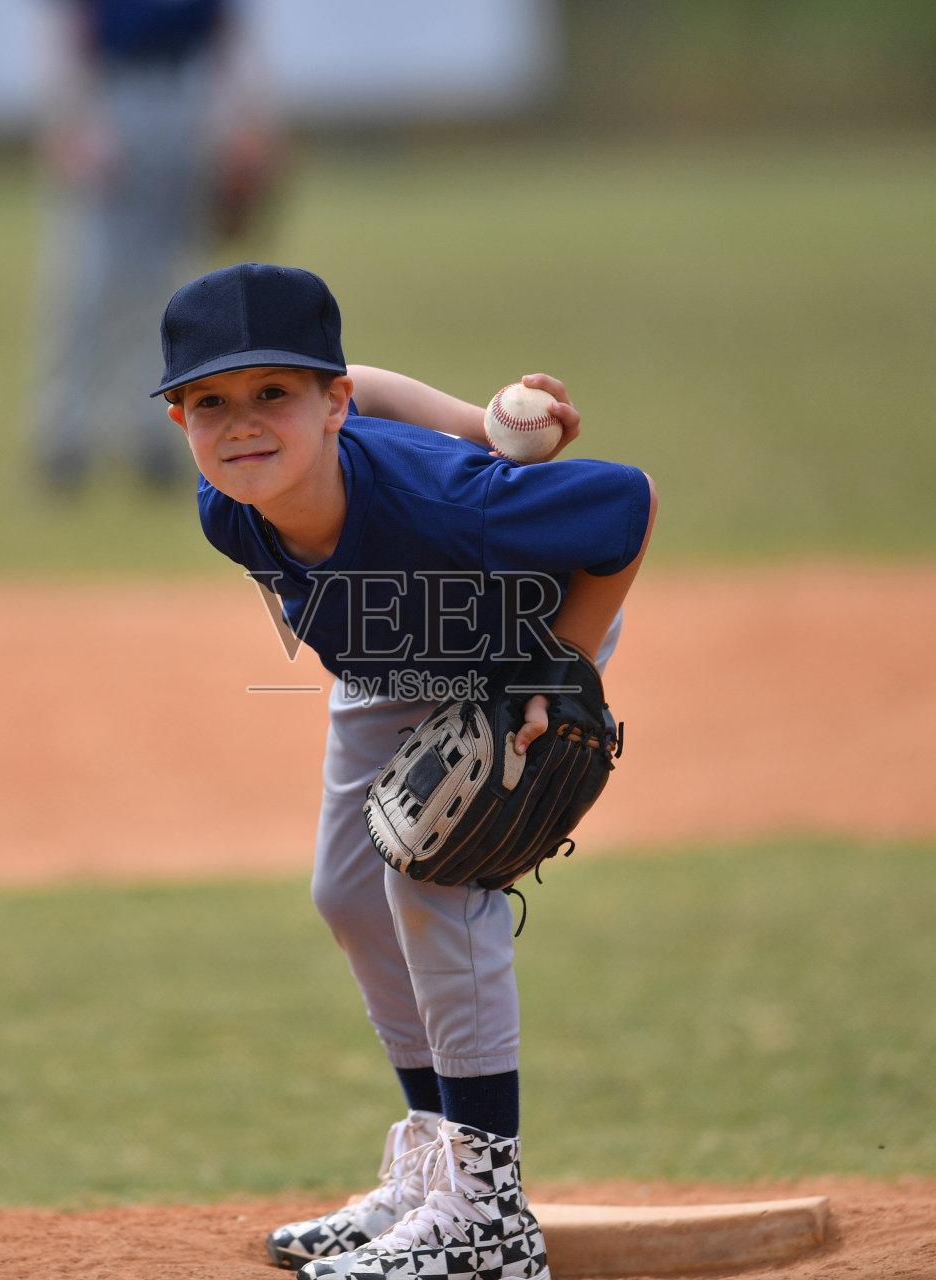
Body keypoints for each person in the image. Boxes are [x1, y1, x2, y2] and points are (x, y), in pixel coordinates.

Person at [155, 263, 657, 1280]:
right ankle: (432, 1167)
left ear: (328, 404)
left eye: (273, 396)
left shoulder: (448, 501)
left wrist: (562, 669)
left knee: (429, 876)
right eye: (212, 402)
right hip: (387, 662)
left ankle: (485, 1210)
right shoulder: (226, 507)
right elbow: (358, 383)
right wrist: (474, 413)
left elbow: (622, 505)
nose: (243, 424)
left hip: (516, 651)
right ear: (178, 421)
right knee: (345, 889)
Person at [31, 0, 281, 492]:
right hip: (111, 97)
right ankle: (66, 434)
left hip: (192, 99)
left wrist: (247, 119)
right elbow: (64, 25)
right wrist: (69, 122)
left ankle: (153, 431)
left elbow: (228, 27)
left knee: (169, 286)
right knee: (90, 282)